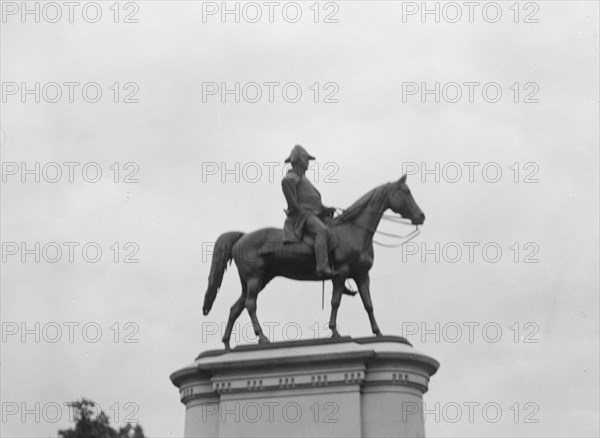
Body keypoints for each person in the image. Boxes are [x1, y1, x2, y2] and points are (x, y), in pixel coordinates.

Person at [281, 145, 338, 277]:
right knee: (322, 230)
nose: (307, 162)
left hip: (311, 214)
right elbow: (286, 183)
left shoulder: (303, 178)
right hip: (303, 217)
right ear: (297, 159)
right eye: (305, 158)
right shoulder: (294, 174)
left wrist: (324, 209)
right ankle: (322, 266)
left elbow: (310, 200)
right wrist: (296, 208)